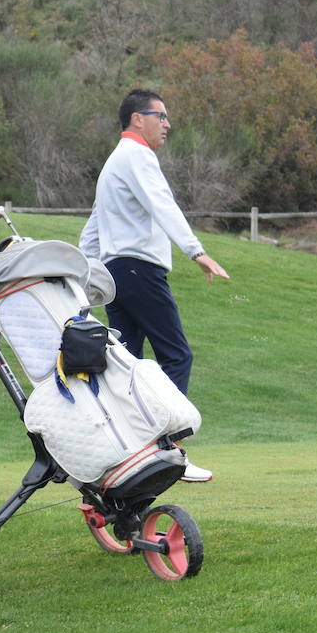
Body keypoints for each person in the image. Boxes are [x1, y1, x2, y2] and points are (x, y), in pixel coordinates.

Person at [80, 89, 229, 483]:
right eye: (159, 116)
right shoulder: (138, 156)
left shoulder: (113, 163)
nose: (166, 124)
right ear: (136, 119)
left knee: (127, 367)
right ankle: (169, 450)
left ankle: (131, 454)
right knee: (176, 356)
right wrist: (196, 252)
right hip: (140, 271)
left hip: (116, 276)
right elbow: (164, 204)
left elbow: (94, 228)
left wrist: (82, 272)